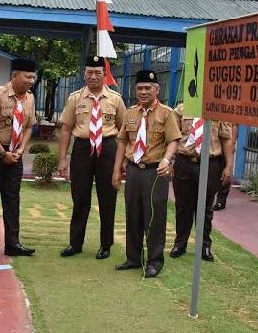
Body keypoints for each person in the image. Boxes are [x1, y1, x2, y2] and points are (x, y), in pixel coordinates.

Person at [112, 70, 181, 277]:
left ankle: (154, 261)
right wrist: (117, 169)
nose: (143, 92)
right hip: (134, 171)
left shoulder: (166, 113)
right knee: (133, 215)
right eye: (139, 88)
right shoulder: (130, 113)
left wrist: (167, 160)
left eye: (147, 88)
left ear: (157, 90)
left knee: (154, 217)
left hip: (155, 172)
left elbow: (174, 141)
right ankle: (133, 258)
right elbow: (123, 141)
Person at [58, 56, 126, 259]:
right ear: (84, 74)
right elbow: (66, 129)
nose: (93, 76)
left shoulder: (115, 99)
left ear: (105, 75)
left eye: (98, 73)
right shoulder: (75, 98)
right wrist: (63, 159)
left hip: (107, 149)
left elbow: (123, 130)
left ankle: (106, 245)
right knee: (80, 198)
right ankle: (75, 243)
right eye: (89, 72)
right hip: (82, 149)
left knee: (108, 199)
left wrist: (122, 161)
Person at [0, 58, 37, 258]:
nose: (31, 81)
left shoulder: (29, 98)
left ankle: (13, 243)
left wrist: (20, 150)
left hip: (15, 153)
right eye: (27, 77)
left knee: (12, 199)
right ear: (14, 76)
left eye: (33, 77)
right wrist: (2, 154)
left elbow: (29, 126)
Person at [170, 103, 234, 262]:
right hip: (184, 162)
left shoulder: (219, 109)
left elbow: (226, 140)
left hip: (210, 163)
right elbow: (172, 137)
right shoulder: (181, 110)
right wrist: (170, 161)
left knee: (205, 207)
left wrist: (229, 166)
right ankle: (180, 243)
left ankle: (204, 245)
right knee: (182, 206)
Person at [213, 124, 238, 211]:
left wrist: (232, 143)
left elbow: (234, 125)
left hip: (225, 146)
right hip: (213, 146)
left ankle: (220, 201)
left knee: (225, 173)